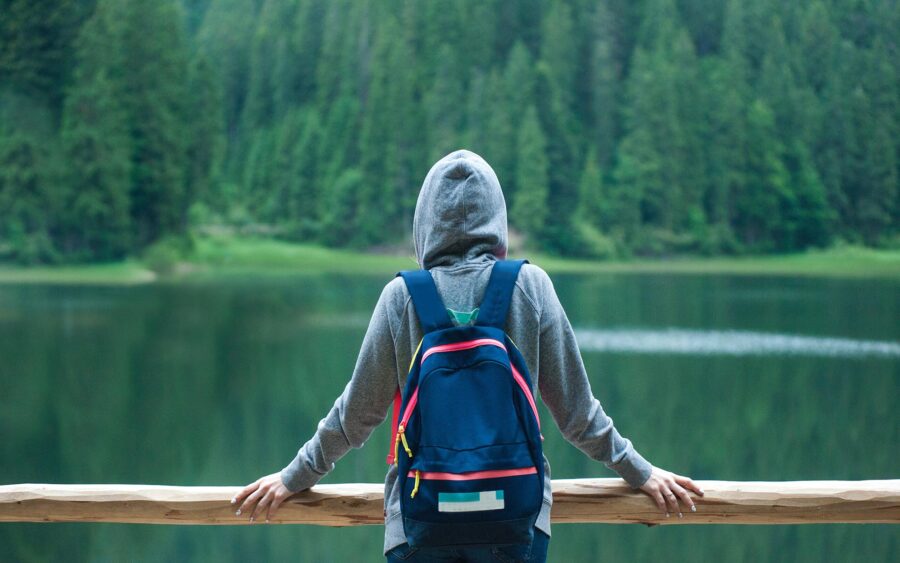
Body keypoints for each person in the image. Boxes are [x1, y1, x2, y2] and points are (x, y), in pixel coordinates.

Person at [232, 149, 703, 562]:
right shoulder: (530, 286)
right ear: (496, 217)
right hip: (514, 521)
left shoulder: (401, 297)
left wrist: (294, 477)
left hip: (422, 522)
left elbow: (356, 416)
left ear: (424, 222)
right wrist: (640, 472)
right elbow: (578, 417)